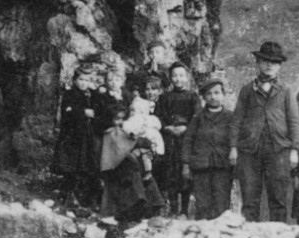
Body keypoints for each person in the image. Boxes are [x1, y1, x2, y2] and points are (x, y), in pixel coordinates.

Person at [229, 40, 299, 223]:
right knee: (250, 198)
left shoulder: (286, 90)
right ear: (258, 63)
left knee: (278, 198)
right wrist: (233, 147)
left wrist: (294, 150)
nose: (269, 65)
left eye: (274, 62)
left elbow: (294, 121)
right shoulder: (247, 90)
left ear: (279, 66)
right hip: (250, 150)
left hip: (278, 150)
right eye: (265, 61)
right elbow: (237, 120)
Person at [51, 64, 108, 209]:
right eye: (81, 79)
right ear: (75, 80)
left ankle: (85, 197)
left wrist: (101, 92)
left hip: (86, 137)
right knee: (71, 168)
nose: (83, 83)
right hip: (72, 137)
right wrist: (83, 112)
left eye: (87, 80)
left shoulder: (90, 94)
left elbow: (99, 103)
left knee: (85, 167)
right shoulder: (70, 94)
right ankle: (68, 196)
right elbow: (68, 112)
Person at [100, 104, 164, 223]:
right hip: (117, 168)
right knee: (133, 174)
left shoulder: (126, 132)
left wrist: (138, 150)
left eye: (122, 119)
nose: (119, 122)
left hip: (130, 164)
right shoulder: (110, 134)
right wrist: (133, 154)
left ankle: (152, 207)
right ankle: (133, 208)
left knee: (145, 174)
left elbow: (134, 144)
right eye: (116, 119)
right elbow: (117, 153)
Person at [181, 75, 233, 220]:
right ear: (204, 97)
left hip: (222, 166)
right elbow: (188, 141)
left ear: (223, 95)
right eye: (208, 94)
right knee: (203, 205)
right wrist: (186, 164)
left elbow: (235, 141)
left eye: (217, 93)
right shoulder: (198, 118)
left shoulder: (230, 117)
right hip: (201, 167)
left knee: (222, 205)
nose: (213, 97)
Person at [157, 62, 201, 217]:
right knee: (170, 173)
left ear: (187, 77)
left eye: (181, 75)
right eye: (174, 75)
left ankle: (184, 210)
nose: (178, 79)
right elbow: (158, 117)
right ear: (170, 78)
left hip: (186, 140)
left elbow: (197, 118)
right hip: (169, 140)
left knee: (185, 174)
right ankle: (173, 209)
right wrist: (167, 127)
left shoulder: (193, 97)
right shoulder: (164, 97)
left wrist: (185, 128)